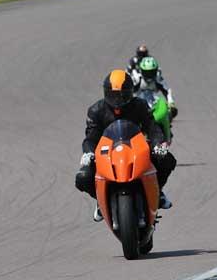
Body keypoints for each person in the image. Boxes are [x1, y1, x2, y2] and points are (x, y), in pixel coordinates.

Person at [75, 70, 177, 222]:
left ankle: (158, 192)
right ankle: (100, 200)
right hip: (107, 152)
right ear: (106, 93)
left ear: (130, 93)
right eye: (113, 95)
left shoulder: (140, 106)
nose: (118, 100)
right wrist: (88, 153)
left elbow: (152, 127)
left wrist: (157, 145)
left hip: (136, 146)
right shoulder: (96, 110)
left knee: (167, 159)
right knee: (83, 177)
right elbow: (90, 137)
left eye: (122, 95)